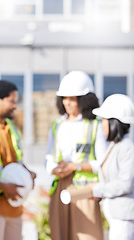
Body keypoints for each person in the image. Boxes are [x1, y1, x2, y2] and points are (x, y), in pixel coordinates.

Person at [45, 71, 108, 240]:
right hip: (60, 188)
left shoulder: (96, 125)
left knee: (88, 235)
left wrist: (76, 166)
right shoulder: (57, 125)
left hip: (85, 191)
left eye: (72, 99)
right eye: (64, 98)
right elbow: (49, 157)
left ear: (84, 100)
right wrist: (55, 169)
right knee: (60, 234)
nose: (67, 103)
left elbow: (103, 163)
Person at [0, 80, 35, 240]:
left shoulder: (13, 129)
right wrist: (4, 187)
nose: (15, 106)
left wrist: (28, 174)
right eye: (12, 101)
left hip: (15, 209)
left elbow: (17, 161)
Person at [89, 94, 134, 240]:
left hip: (124, 217)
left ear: (115, 122)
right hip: (115, 215)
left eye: (105, 121)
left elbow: (125, 184)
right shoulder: (114, 146)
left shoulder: (127, 148)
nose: (102, 125)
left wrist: (98, 189)